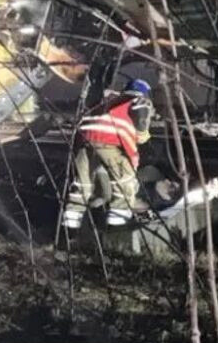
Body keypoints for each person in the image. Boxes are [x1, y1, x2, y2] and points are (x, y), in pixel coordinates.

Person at [62, 77, 154, 230]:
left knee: (82, 183)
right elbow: (141, 126)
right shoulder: (139, 101)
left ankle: (71, 221)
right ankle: (117, 220)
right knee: (125, 180)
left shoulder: (107, 99)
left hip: (85, 140)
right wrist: (144, 135)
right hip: (109, 141)